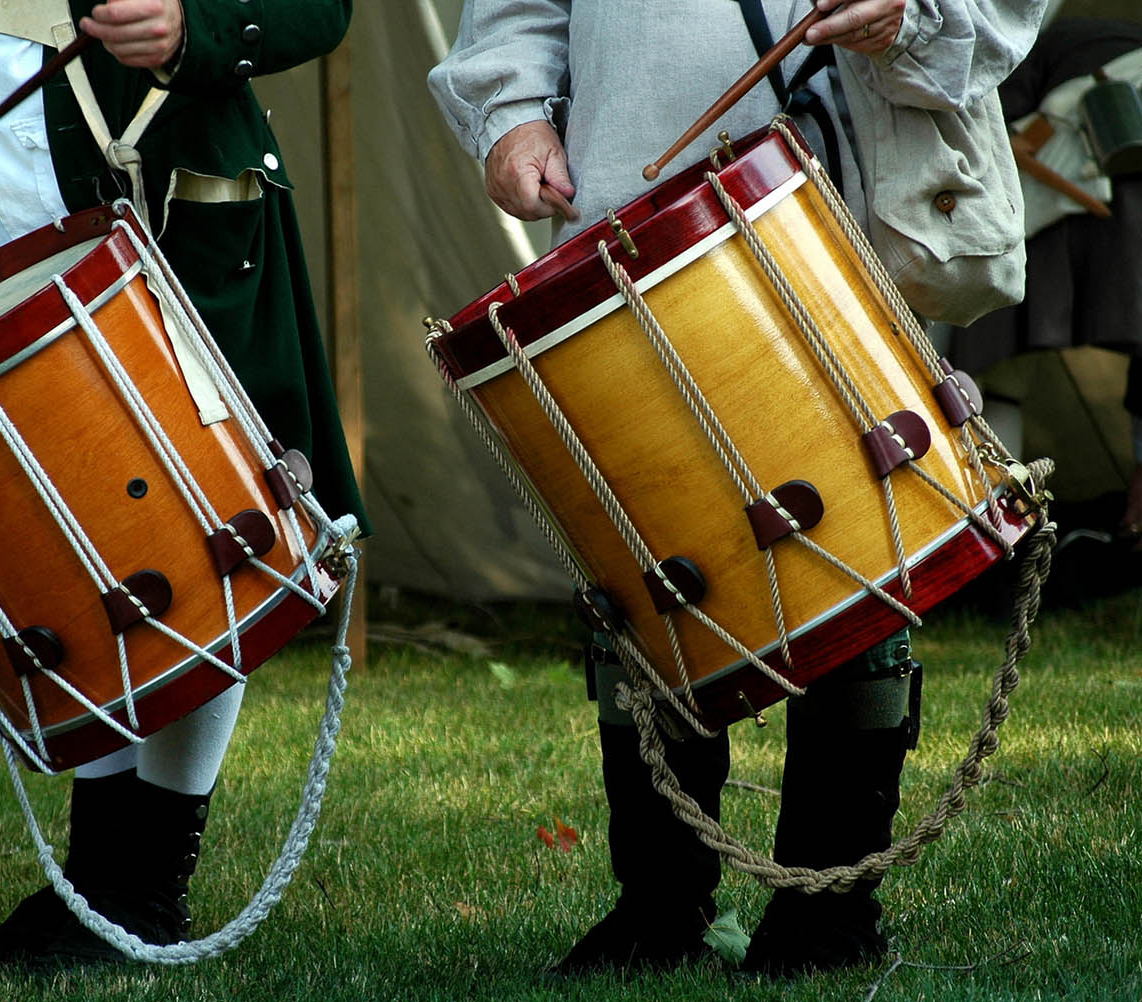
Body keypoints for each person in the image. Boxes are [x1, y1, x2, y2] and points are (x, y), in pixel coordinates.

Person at [429, 0, 1040, 978]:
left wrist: (918, 12)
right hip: (630, 194)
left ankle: (830, 913)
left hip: (841, 197)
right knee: (651, 564)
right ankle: (659, 909)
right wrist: (512, 113)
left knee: (856, 550)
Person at [0, 0, 366, 965]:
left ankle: (144, 889)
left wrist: (196, 23)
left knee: (204, 527)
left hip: (171, 190)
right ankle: (101, 881)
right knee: (80, 535)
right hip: (11, 192)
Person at [946, 17, 1142, 555]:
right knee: (995, 370)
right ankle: (997, 543)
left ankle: (996, 545)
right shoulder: (1028, 26)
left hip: (1065, 205)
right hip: (1041, 209)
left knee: (996, 370)